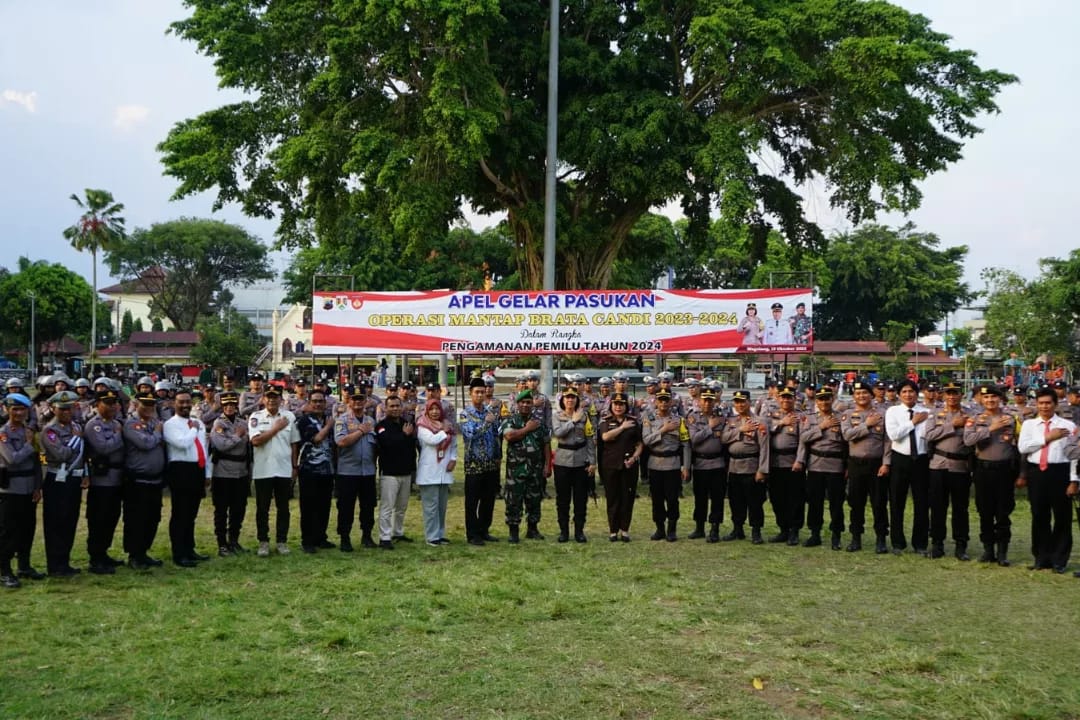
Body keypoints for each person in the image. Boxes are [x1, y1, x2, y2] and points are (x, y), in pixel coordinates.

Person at [1017, 386, 1076, 573]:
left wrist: (1074, 481)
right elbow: (1023, 448)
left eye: (1048, 403)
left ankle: (1059, 559)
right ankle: (1041, 557)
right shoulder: (1029, 425)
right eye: (1041, 403)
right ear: (1036, 404)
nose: (1044, 406)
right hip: (1037, 473)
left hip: (1060, 472)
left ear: (1055, 404)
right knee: (1039, 515)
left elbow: (1075, 456)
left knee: (1062, 517)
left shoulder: (1068, 426)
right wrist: (1047, 438)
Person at [963, 385, 1019, 566]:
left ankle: (1002, 552)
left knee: (1003, 511)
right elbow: (968, 440)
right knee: (985, 511)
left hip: (1005, 470)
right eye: (986, 398)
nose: (990, 401)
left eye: (994, 397)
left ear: (1001, 399)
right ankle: (988, 550)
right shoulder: (975, 419)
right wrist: (991, 428)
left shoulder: (1012, 419)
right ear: (981, 399)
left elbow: (1020, 444)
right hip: (983, 470)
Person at [40, 390, 87, 577]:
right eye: (62, 409)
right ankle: (55, 564)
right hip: (57, 481)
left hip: (74, 479)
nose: (67, 412)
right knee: (56, 523)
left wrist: (85, 473)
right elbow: (61, 454)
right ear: (53, 409)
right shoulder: (49, 431)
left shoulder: (75, 426)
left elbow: (83, 454)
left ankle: (64, 562)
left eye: (69, 408)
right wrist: (76, 438)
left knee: (70, 521)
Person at [923, 382, 973, 560]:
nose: (952, 396)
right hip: (938, 465)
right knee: (937, 507)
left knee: (961, 508)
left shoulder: (970, 414)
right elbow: (928, 436)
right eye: (948, 393)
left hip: (960, 466)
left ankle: (961, 546)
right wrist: (952, 425)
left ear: (961, 395)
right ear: (943, 395)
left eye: (955, 393)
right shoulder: (935, 414)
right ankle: (937, 544)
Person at [840, 381, 891, 553]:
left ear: (871, 395)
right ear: (854, 396)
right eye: (858, 393)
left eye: (864, 393)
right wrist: (867, 425)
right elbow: (847, 435)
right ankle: (856, 538)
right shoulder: (847, 415)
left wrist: (886, 463)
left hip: (877, 465)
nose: (861, 396)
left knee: (879, 503)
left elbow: (887, 441)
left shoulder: (883, 414)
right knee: (856, 503)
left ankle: (881, 539)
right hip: (856, 464)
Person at [249, 387, 300, 556]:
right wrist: (275, 429)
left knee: (283, 508)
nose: (272, 400)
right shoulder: (256, 417)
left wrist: (294, 466)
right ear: (263, 399)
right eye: (269, 397)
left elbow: (294, 443)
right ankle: (263, 541)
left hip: (284, 468)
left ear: (281, 399)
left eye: (275, 397)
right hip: (263, 469)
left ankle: (281, 541)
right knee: (262, 508)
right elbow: (256, 441)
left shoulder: (289, 417)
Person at [163, 388, 211, 567]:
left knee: (191, 513)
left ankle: (190, 549)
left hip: (197, 469)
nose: (185, 405)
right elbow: (182, 444)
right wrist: (193, 430)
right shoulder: (170, 424)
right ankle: (179, 553)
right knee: (180, 514)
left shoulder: (197, 422)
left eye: (187, 402)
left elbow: (204, 449)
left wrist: (207, 473)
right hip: (180, 470)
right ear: (174, 404)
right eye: (181, 402)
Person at [0, 392, 44, 588]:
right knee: (9, 532)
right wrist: (28, 444)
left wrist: (37, 486)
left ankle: (24, 566)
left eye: (22, 409)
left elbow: (36, 462)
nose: (19, 413)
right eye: (14, 409)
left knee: (27, 529)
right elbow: (12, 459)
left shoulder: (29, 431)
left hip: (28, 488)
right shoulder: (4, 433)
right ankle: (4, 570)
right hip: (10, 489)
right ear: (6, 410)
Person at [794, 388, 846, 549]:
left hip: (835, 465)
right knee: (815, 501)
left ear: (832, 399)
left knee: (836, 503)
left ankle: (836, 534)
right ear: (816, 401)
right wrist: (822, 427)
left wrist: (848, 466)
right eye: (820, 399)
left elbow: (847, 442)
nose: (824, 402)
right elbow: (803, 437)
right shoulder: (809, 418)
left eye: (827, 399)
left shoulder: (841, 418)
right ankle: (814, 533)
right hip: (815, 464)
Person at [82, 388, 126, 574]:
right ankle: (95, 557)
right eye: (107, 403)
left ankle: (104, 552)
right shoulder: (94, 425)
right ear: (97, 405)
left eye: (114, 403)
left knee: (112, 517)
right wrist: (119, 434)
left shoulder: (116, 423)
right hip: (101, 480)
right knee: (98, 519)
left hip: (117, 478)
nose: (112, 406)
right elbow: (103, 447)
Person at [884, 379, 931, 555]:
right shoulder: (893, 411)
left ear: (916, 393)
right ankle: (897, 542)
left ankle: (920, 543)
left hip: (921, 459)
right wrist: (913, 422)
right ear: (898, 394)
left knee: (922, 503)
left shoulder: (927, 412)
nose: (908, 394)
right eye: (904, 391)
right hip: (900, 459)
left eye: (911, 391)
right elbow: (894, 435)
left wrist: (919, 420)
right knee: (897, 502)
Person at [122, 393, 167, 569]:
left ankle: (144, 552)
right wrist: (157, 435)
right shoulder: (131, 423)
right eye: (144, 404)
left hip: (155, 480)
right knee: (136, 519)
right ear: (136, 404)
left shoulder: (155, 423)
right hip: (137, 481)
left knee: (152, 518)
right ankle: (134, 555)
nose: (149, 408)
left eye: (152, 404)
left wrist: (156, 434)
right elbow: (146, 443)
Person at [501, 390, 550, 543]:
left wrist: (547, 465)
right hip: (516, 470)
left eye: (528, 402)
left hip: (535, 470)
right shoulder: (511, 421)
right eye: (522, 402)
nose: (525, 405)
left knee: (534, 499)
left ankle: (532, 529)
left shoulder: (539, 423)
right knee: (514, 500)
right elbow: (509, 436)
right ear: (517, 404)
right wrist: (527, 429)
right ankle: (513, 531)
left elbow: (546, 445)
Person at [642, 389, 690, 541]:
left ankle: (672, 529)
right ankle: (660, 528)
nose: (663, 403)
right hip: (655, 463)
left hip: (673, 464)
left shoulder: (679, 421)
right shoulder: (648, 418)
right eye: (660, 400)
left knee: (672, 498)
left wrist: (686, 466)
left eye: (666, 400)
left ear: (671, 402)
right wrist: (663, 430)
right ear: (655, 401)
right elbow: (646, 440)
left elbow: (686, 445)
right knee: (657, 499)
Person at [333, 388, 378, 551]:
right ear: (349, 402)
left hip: (367, 471)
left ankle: (367, 536)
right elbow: (341, 442)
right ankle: (345, 538)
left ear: (366, 401)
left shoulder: (371, 421)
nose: (358, 402)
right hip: (348, 471)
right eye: (354, 399)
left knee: (368, 506)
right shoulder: (342, 420)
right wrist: (360, 431)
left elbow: (375, 446)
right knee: (346, 507)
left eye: (361, 399)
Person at [460, 377, 502, 545]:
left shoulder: (489, 412)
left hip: (490, 463)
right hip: (474, 464)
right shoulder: (465, 413)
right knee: (472, 501)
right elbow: (470, 435)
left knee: (488, 500)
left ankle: (484, 530)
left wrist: (498, 455)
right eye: (476, 392)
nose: (479, 395)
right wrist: (486, 423)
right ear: (470, 394)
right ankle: (472, 534)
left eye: (482, 392)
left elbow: (496, 435)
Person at [552, 387, 596, 543]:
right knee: (563, 499)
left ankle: (579, 531)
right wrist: (573, 421)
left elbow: (590, 439)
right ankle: (564, 531)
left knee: (580, 499)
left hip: (580, 460)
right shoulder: (557, 416)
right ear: (562, 400)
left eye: (573, 397)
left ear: (577, 400)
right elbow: (558, 433)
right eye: (567, 398)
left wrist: (592, 461)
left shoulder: (584, 416)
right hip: (562, 461)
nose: (570, 400)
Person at [209, 391, 251, 556]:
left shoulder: (242, 422)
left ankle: (234, 540)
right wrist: (238, 436)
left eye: (232, 405)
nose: (230, 408)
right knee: (221, 510)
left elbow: (249, 442)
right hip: (223, 471)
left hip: (241, 471)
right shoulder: (218, 424)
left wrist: (237, 438)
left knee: (238, 508)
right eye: (226, 405)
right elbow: (221, 445)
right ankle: (222, 544)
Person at [296, 389, 337, 553]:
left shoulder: (328, 419)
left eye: (321, 401)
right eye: (315, 401)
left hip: (327, 469)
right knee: (308, 506)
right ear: (309, 403)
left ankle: (321, 537)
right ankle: (307, 540)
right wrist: (328, 426)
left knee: (324, 505)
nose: (318, 404)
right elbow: (317, 439)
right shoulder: (305, 421)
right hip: (309, 470)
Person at [374, 395, 417, 549]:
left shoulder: (407, 423)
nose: (395, 408)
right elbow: (387, 443)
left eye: (397, 405)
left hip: (405, 471)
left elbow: (412, 447)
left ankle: (397, 532)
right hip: (389, 473)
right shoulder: (381, 425)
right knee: (387, 507)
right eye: (391, 406)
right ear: (386, 408)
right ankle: (384, 537)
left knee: (401, 506)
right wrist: (404, 435)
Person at [599, 393, 642, 542]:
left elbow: (639, 444)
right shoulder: (605, 421)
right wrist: (622, 427)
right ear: (611, 406)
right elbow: (605, 437)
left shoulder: (633, 422)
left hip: (628, 466)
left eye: (621, 404)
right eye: (615, 404)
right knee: (612, 498)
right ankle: (613, 530)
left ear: (626, 406)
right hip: (610, 465)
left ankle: (624, 530)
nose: (618, 407)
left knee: (627, 498)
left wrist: (634, 457)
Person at [686, 388, 728, 542]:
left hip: (718, 463)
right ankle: (699, 527)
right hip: (700, 463)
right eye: (705, 399)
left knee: (717, 498)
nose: (707, 403)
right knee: (700, 497)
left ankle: (715, 528)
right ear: (699, 401)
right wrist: (710, 428)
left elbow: (725, 438)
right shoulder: (693, 417)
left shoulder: (722, 417)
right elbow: (694, 439)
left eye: (710, 400)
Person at [766, 387, 804, 546]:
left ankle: (794, 530)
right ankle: (783, 529)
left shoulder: (801, 417)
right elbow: (764, 433)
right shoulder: (770, 416)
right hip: (774, 463)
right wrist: (781, 423)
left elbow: (804, 441)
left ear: (794, 399)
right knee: (777, 498)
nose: (786, 400)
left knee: (795, 498)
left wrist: (800, 460)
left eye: (789, 398)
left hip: (792, 461)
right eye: (783, 397)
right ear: (777, 399)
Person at [416, 398, 457, 546]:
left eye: (437, 409)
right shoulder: (422, 425)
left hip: (444, 471)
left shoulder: (447, 424)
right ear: (427, 410)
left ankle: (440, 534)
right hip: (429, 472)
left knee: (441, 507)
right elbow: (432, 440)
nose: (435, 412)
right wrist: (443, 431)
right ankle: (431, 536)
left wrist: (453, 458)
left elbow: (453, 443)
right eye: (432, 409)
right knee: (431, 508)